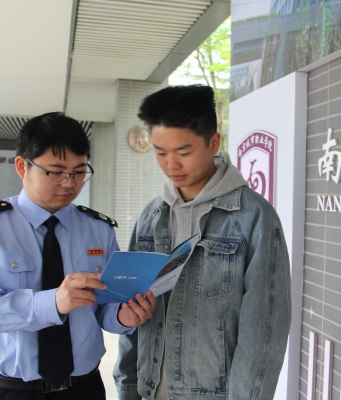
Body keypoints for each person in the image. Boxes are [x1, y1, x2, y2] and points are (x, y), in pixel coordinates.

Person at [0, 112, 156, 400]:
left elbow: (104, 304)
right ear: (22, 166)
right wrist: (51, 303)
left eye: (80, 172)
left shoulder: (98, 229)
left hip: (83, 389)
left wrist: (123, 315)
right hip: (7, 391)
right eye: (56, 172)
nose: (70, 183)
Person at [113, 85, 291, 400]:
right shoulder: (150, 217)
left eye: (183, 153)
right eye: (160, 152)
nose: (171, 165)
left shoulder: (253, 217)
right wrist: (128, 389)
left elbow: (264, 332)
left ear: (213, 143)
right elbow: (131, 310)